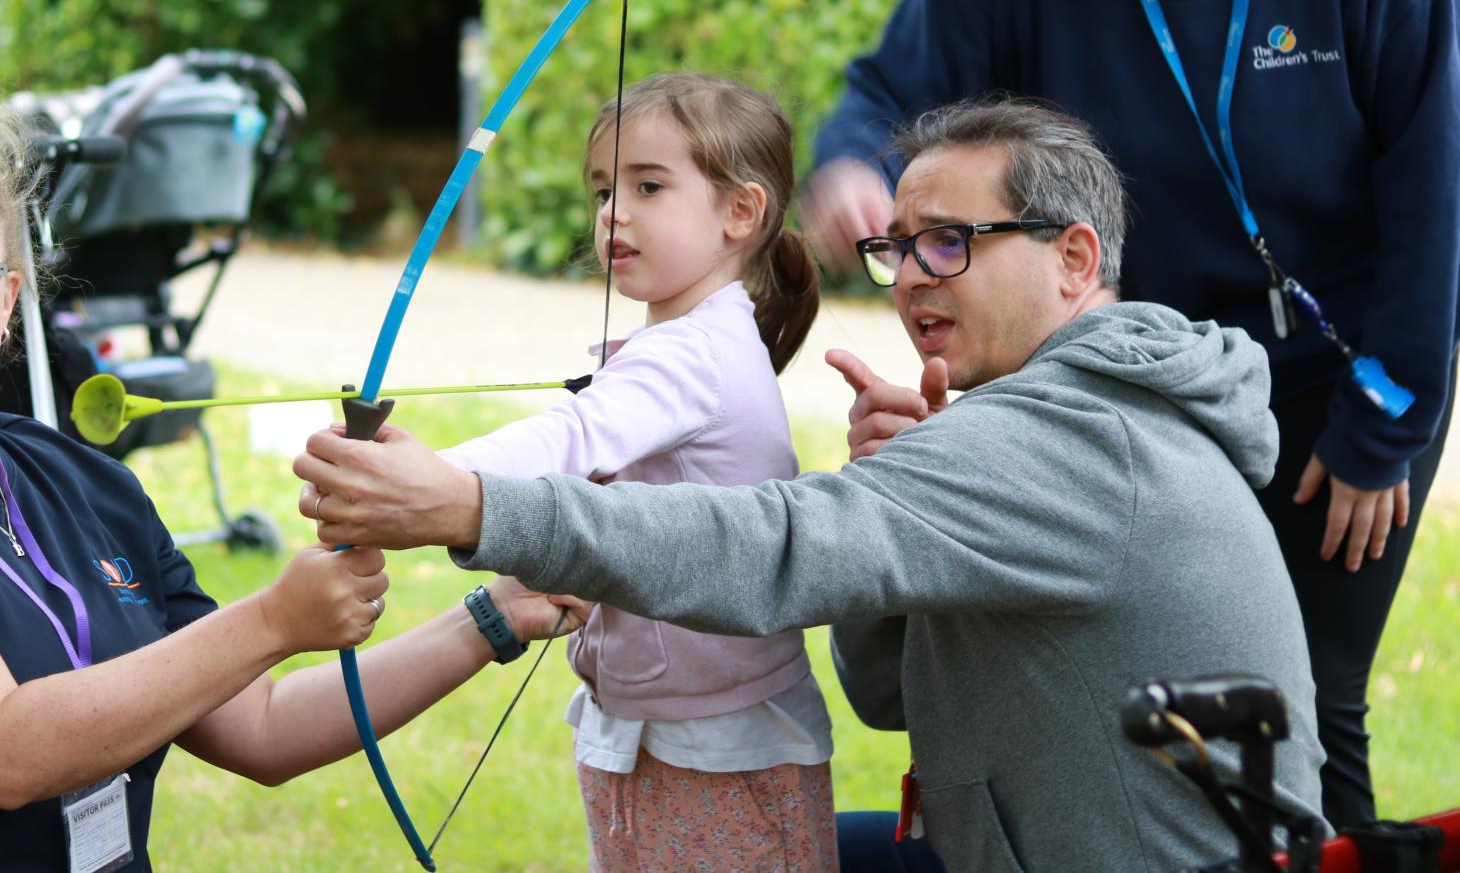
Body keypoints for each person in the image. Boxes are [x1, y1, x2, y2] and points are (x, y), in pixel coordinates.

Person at [295, 98, 1327, 873]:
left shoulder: (1074, 441)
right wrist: (902, 493)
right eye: (895, 247)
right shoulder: (1060, 422)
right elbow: (885, 694)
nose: (913, 274)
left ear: (1072, 259)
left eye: (949, 243)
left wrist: (473, 506)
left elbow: (773, 547)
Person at [801, 0, 1460, 827]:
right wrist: (852, 163)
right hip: (1134, 384)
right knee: (1178, 698)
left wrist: (1383, 427)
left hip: (1338, 379)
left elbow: (1433, 202)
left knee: (1302, 693)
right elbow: (886, 91)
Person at [0, 105, 586, 871]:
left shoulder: (90, 488)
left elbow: (263, 727)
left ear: (8, 299)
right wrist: (275, 619)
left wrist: (492, 619)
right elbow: (13, 751)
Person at [401, 73, 833, 870]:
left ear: (741, 212)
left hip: (716, 741)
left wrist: (429, 482)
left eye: (648, 185)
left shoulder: (694, 351)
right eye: (604, 189)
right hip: (659, 721)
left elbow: (575, 436)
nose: (613, 213)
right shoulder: (687, 344)